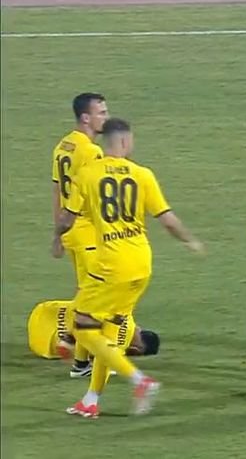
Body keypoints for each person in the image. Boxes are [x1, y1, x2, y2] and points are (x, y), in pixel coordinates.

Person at [52, 118, 204, 419]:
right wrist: (190, 241)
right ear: (124, 141)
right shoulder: (143, 174)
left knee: (82, 326)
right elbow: (168, 219)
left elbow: (67, 219)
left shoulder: (87, 174)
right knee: (108, 332)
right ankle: (91, 400)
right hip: (141, 263)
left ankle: (140, 381)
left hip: (110, 264)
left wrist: (57, 237)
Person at [51, 92, 110, 378]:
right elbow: (96, 196)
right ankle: (69, 340)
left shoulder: (63, 145)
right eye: (102, 113)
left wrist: (57, 233)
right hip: (86, 230)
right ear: (86, 117)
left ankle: (81, 362)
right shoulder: (91, 151)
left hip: (71, 231)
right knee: (96, 293)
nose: (106, 118)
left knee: (87, 290)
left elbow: (56, 191)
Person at [27, 299, 160, 360]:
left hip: (44, 311)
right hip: (40, 343)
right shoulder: (117, 350)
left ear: (140, 329)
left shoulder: (125, 313)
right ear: (136, 350)